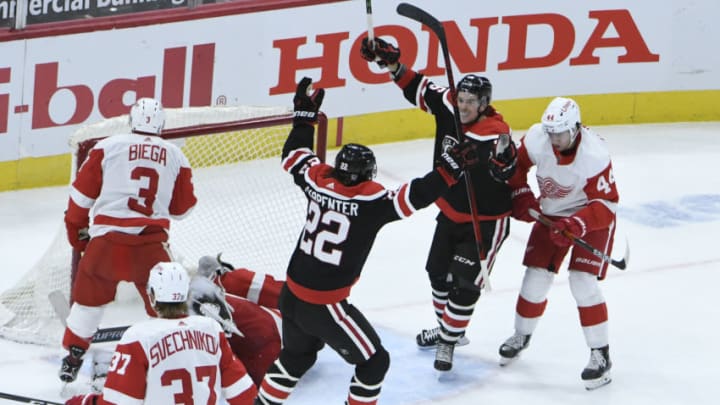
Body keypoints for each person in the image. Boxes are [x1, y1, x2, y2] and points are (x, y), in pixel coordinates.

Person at [253, 77, 481, 405]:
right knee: (374, 363)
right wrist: (449, 169)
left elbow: (294, 156)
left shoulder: (318, 181)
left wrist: (303, 118)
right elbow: (414, 196)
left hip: (290, 294)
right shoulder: (370, 202)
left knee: (296, 358)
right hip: (324, 305)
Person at [360, 37, 519, 371]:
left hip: (485, 219)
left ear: (484, 103)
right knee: (436, 273)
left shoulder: (494, 132)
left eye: (470, 102)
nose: (462, 106)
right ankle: (451, 330)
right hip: (450, 210)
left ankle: (447, 341)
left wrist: (503, 159)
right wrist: (392, 64)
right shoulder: (449, 106)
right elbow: (418, 87)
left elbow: (504, 169)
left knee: (464, 284)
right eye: (460, 99)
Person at [60, 98, 198, 383]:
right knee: (168, 307)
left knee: (87, 303)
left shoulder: (106, 147)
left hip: (105, 246)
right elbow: (182, 210)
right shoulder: (175, 154)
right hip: (150, 249)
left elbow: (79, 200)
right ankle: (174, 362)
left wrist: (77, 234)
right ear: (161, 125)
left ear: (131, 121)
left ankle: (73, 357)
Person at [498, 97, 619, 390]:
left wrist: (576, 223)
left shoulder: (594, 154)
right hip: (552, 212)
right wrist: (522, 194)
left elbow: (606, 205)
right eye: (551, 133)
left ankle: (600, 355)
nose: (554, 140)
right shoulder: (539, 137)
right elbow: (515, 168)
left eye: (560, 134)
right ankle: (521, 334)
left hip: (590, 216)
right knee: (535, 277)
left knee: (582, 281)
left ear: (576, 129)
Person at [65, 262, 257, 404]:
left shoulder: (138, 337)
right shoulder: (212, 330)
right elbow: (245, 395)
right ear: (187, 295)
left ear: (152, 295)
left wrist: (83, 402)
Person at [191, 254, 283, 386]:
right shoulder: (231, 282)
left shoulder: (229, 283)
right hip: (290, 350)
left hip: (266, 363)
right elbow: (282, 293)